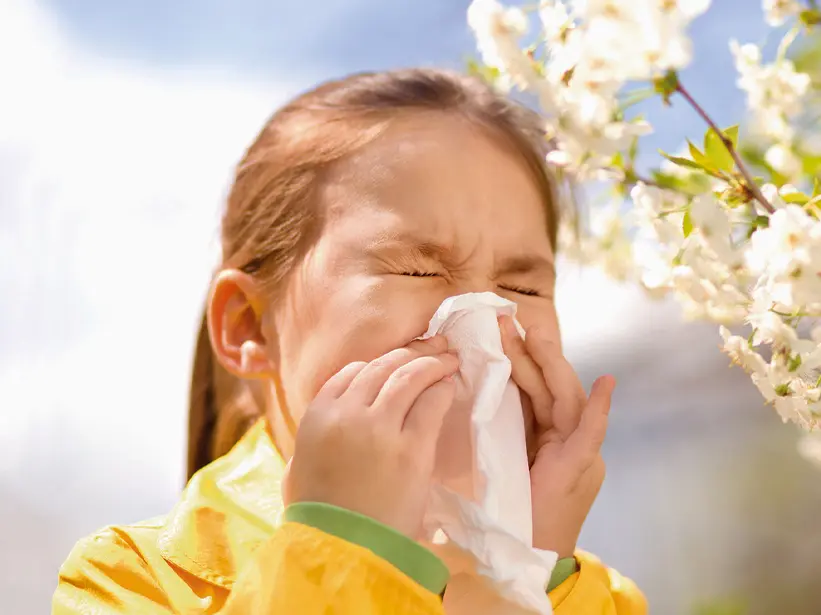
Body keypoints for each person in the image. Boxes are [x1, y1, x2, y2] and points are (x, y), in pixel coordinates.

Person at [53, 67, 647, 614]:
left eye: (522, 286)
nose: (483, 324)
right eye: (417, 271)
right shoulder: (127, 580)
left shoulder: (603, 599)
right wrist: (347, 548)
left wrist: (527, 573)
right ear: (248, 328)